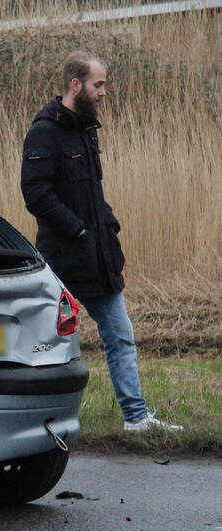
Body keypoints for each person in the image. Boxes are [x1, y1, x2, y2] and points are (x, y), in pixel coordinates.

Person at [20, 51, 181, 432]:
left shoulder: (86, 129)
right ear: (76, 85)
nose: (104, 92)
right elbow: (35, 193)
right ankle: (36, 424)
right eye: (99, 84)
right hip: (62, 263)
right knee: (43, 345)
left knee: (120, 336)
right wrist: (77, 229)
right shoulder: (44, 131)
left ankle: (136, 418)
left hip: (100, 256)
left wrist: (107, 225)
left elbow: (92, 192)